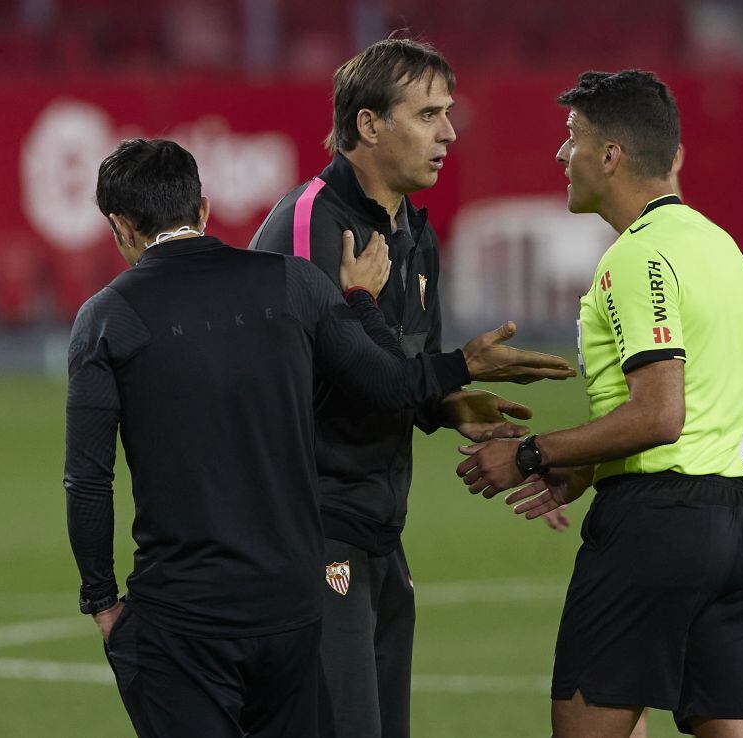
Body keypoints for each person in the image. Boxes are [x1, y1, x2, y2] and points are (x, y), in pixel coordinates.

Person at [65, 138, 564, 737]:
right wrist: (434, 351)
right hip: (292, 611)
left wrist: (103, 602)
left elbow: (88, 480)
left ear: (120, 225)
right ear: (202, 208)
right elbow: (388, 384)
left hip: (183, 616)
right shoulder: (296, 284)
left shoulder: (107, 317)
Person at [248, 37, 574, 738]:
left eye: (447, 113)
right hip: (305, 530)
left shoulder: (412, 235)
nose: (449, 133)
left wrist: (451, 406)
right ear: (369, 125)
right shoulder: (316, 222)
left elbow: (397, 375)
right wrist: (459, 370)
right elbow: (351, 370)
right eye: (428, 114)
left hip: (375, 528)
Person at [457, 70, 743, 738]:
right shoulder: (723, 249)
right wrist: (584, 471)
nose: (560, 156)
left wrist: (530, 454)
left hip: (657, 526)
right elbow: (723, 411)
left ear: (611, 156)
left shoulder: (637, 259)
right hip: (739, 527)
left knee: (584, 723)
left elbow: (661, 415)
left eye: (571, 139)